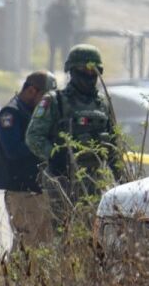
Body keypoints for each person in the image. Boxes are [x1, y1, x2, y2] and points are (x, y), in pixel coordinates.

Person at [26, 44, 126, 230]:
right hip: (62, 181)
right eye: (83, 70)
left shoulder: (102, 104)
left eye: (93, 71)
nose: (89, 75)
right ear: (72, 71)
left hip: (95, 183)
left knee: (93, 235)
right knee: (62, 235)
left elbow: (113, 146)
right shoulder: (55, 101)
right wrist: (54, 155)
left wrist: (124, 182)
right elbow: (33, 137)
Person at [0, 70, 56, 255]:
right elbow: (13, 150)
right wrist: (41, 146)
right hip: (20, 191)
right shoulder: (11, 113)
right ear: (31, 91)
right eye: (44, 96)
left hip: (37, 189)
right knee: (26, 244)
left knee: (43, 244)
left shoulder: (36, 115)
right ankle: (11, 282)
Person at [43, 0, 77, 72]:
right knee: (52, 54)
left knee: (65, 55)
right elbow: (49, 14)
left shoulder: (70, 7)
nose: (62, 1)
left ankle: (67, 72)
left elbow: (74, 15)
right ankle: (51, 71)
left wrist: (65, 10)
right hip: (54, 34)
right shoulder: (53, 7)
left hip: (65, 34)